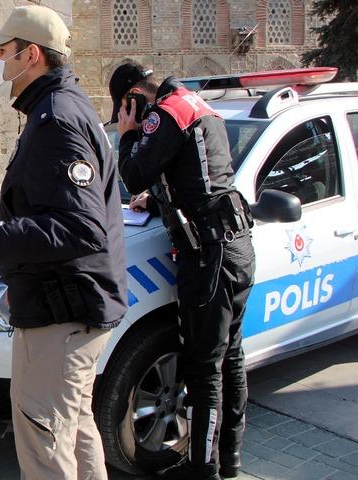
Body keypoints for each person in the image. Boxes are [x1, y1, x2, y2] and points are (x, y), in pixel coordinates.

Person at [0, 6, 127, 479]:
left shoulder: (56, 119)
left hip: (63, 316)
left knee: (44, 440)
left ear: (30, 55)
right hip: (70, 307)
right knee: (73, 428)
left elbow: (81, 227)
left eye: (1, 53)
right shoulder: (58, 108)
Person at [112, 62, 255, 480]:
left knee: (204, 368)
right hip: (236, 248)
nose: (128, 115)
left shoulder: (165, 112)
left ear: (135, 97)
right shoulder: (199, 106)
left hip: (208, 258)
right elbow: (201, 177)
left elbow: (135, 171)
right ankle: (229, 461)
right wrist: (156, 202)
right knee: (230, 358)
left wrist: (127, 136)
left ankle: (202, 470)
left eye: (125, 107)